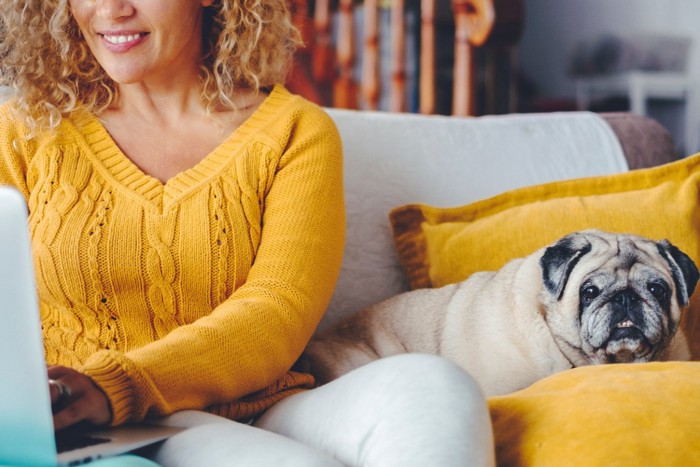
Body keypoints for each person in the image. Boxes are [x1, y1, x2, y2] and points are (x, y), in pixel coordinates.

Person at [0, 0, 495, 465]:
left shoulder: (293, 132)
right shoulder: (25, 133)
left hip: (262, 409)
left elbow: (277, 307)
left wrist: (122, 383)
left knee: (435, 385)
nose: (109, 10)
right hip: (96, 430)